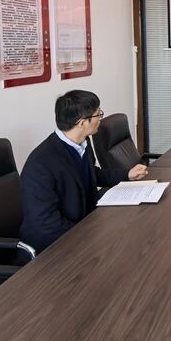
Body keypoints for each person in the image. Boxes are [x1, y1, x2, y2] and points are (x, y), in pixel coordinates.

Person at [20, 90, 149, 251]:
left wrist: (127, 174)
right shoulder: (41, 163)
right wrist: (88, 237)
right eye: (98, 115)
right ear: (82, 123)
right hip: (52, 247)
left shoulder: (82, 142)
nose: (100, 119)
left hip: (85, 229)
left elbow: (91, 173)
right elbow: (46, 223)